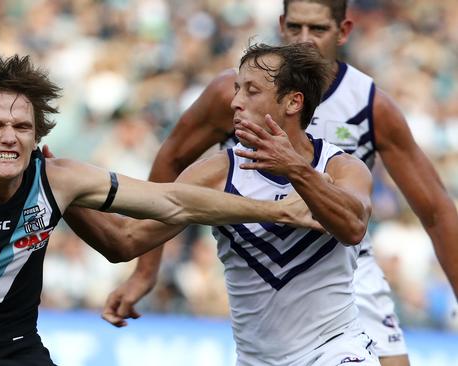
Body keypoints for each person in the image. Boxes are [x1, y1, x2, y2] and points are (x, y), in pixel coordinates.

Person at [0, 53, 319, 366]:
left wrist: (275, 210)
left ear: (37, 135)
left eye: (21, 126)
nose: (9, 136)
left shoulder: (58, 178)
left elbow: (171, 199)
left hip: (20, 352)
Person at [85, 1, 458, 365]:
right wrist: (62, 192)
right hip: (259, 348)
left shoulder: (363, 117)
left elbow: (404, 216)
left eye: (317, 28)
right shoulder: (216, 165)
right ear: (281, 24)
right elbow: (135, 225)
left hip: (344, 292)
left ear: (343, 31)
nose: (304, 39)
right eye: (295, 27)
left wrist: (296, 168)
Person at [61, 42, 378, 365]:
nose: (235, 101)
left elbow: (352, 227)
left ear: (294, 101)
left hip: (337, 351)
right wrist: (62, 194)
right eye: (237, 89)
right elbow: (124, 242)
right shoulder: (215, 173)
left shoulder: (341, 168)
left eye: (251, 91)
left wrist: (295, 169)